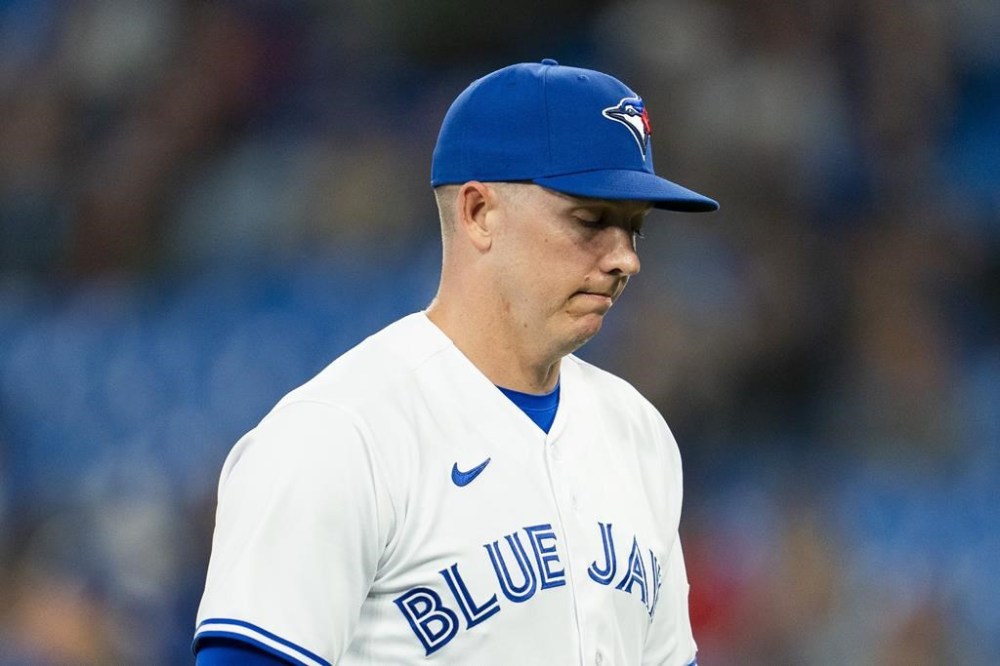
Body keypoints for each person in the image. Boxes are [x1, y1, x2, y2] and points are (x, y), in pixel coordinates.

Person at [193, 59, 717, 665]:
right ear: (478, 212)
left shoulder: (639, 434)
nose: (625, 259)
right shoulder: (340, 433)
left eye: (635, 229)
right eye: (591, 220)